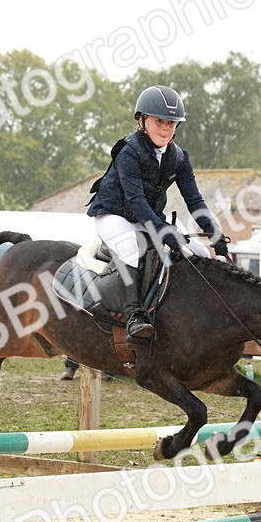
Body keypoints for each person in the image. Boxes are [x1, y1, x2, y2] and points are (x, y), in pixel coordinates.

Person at [85, 84, 229, 344]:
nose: (165, 128)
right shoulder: (129, 151)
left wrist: (214, 232)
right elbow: (135, 201)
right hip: (113, 215)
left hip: (145, 218)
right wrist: (164, 231)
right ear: (142, 121)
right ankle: (134, 317)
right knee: (131, 248)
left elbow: (194, 200)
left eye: (171, 123)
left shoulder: (179, 157)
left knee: (199, 251)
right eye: (159, 121)